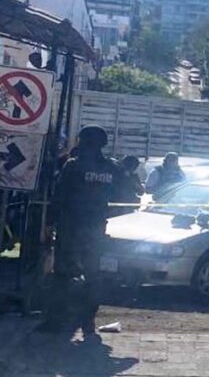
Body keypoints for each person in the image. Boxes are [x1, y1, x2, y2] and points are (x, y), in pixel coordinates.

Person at [47, 125, 131, 339]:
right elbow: (127, 197)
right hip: (96, 229)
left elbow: (59, 195)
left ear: (82, 142)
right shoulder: (113, 168)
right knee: (93, 275)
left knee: (63, 274)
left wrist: (49, 222)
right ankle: (87, 320)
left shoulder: (73, 166)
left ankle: (58, 320)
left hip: (70, 228)